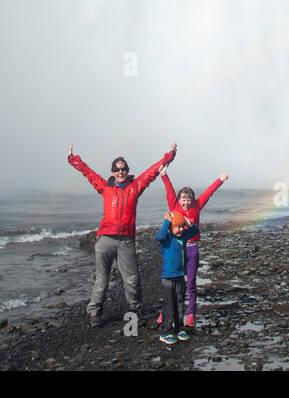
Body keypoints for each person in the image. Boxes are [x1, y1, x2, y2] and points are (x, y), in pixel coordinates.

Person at [68, 142, 176, 327]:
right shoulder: (105, 187)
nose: (120, 172)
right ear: (112, 172)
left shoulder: (135, 187)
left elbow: (153, 171)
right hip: (105, 240)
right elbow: (88, 173)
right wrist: (73, 159)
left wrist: (170, 156)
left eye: (123, 169)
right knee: (102, 278)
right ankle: (95, 313)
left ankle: (134, 311)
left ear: (127, 171)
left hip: (126, 240)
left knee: (132, 278)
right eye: (117, 169)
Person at [157, 165, 227, 328]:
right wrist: (163, 175)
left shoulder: (197, 205)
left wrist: (220, 180)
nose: (186, 202)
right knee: (172, 282)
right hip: (176, 248)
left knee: (190, 283)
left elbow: (209, 192)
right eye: (183, 199)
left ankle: (191, 315)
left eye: (189, 199)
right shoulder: (174, 205)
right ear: (179, 199)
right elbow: (169, 190)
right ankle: (165, 313)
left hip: (192, 248)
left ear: (192, 200)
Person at [155, 210, 198, 345]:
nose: (180, 230)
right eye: (177, 227)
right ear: (171, 228)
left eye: (181, 227)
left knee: (180, 303)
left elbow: (195, 231)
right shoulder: (167, 238)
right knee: (169, 305)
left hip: (180, 276)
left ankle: (179, 328)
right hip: (168, 278)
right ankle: (166, 332)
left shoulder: (183, 237)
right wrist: (167, 222)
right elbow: (159, 236)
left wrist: (187, 222)